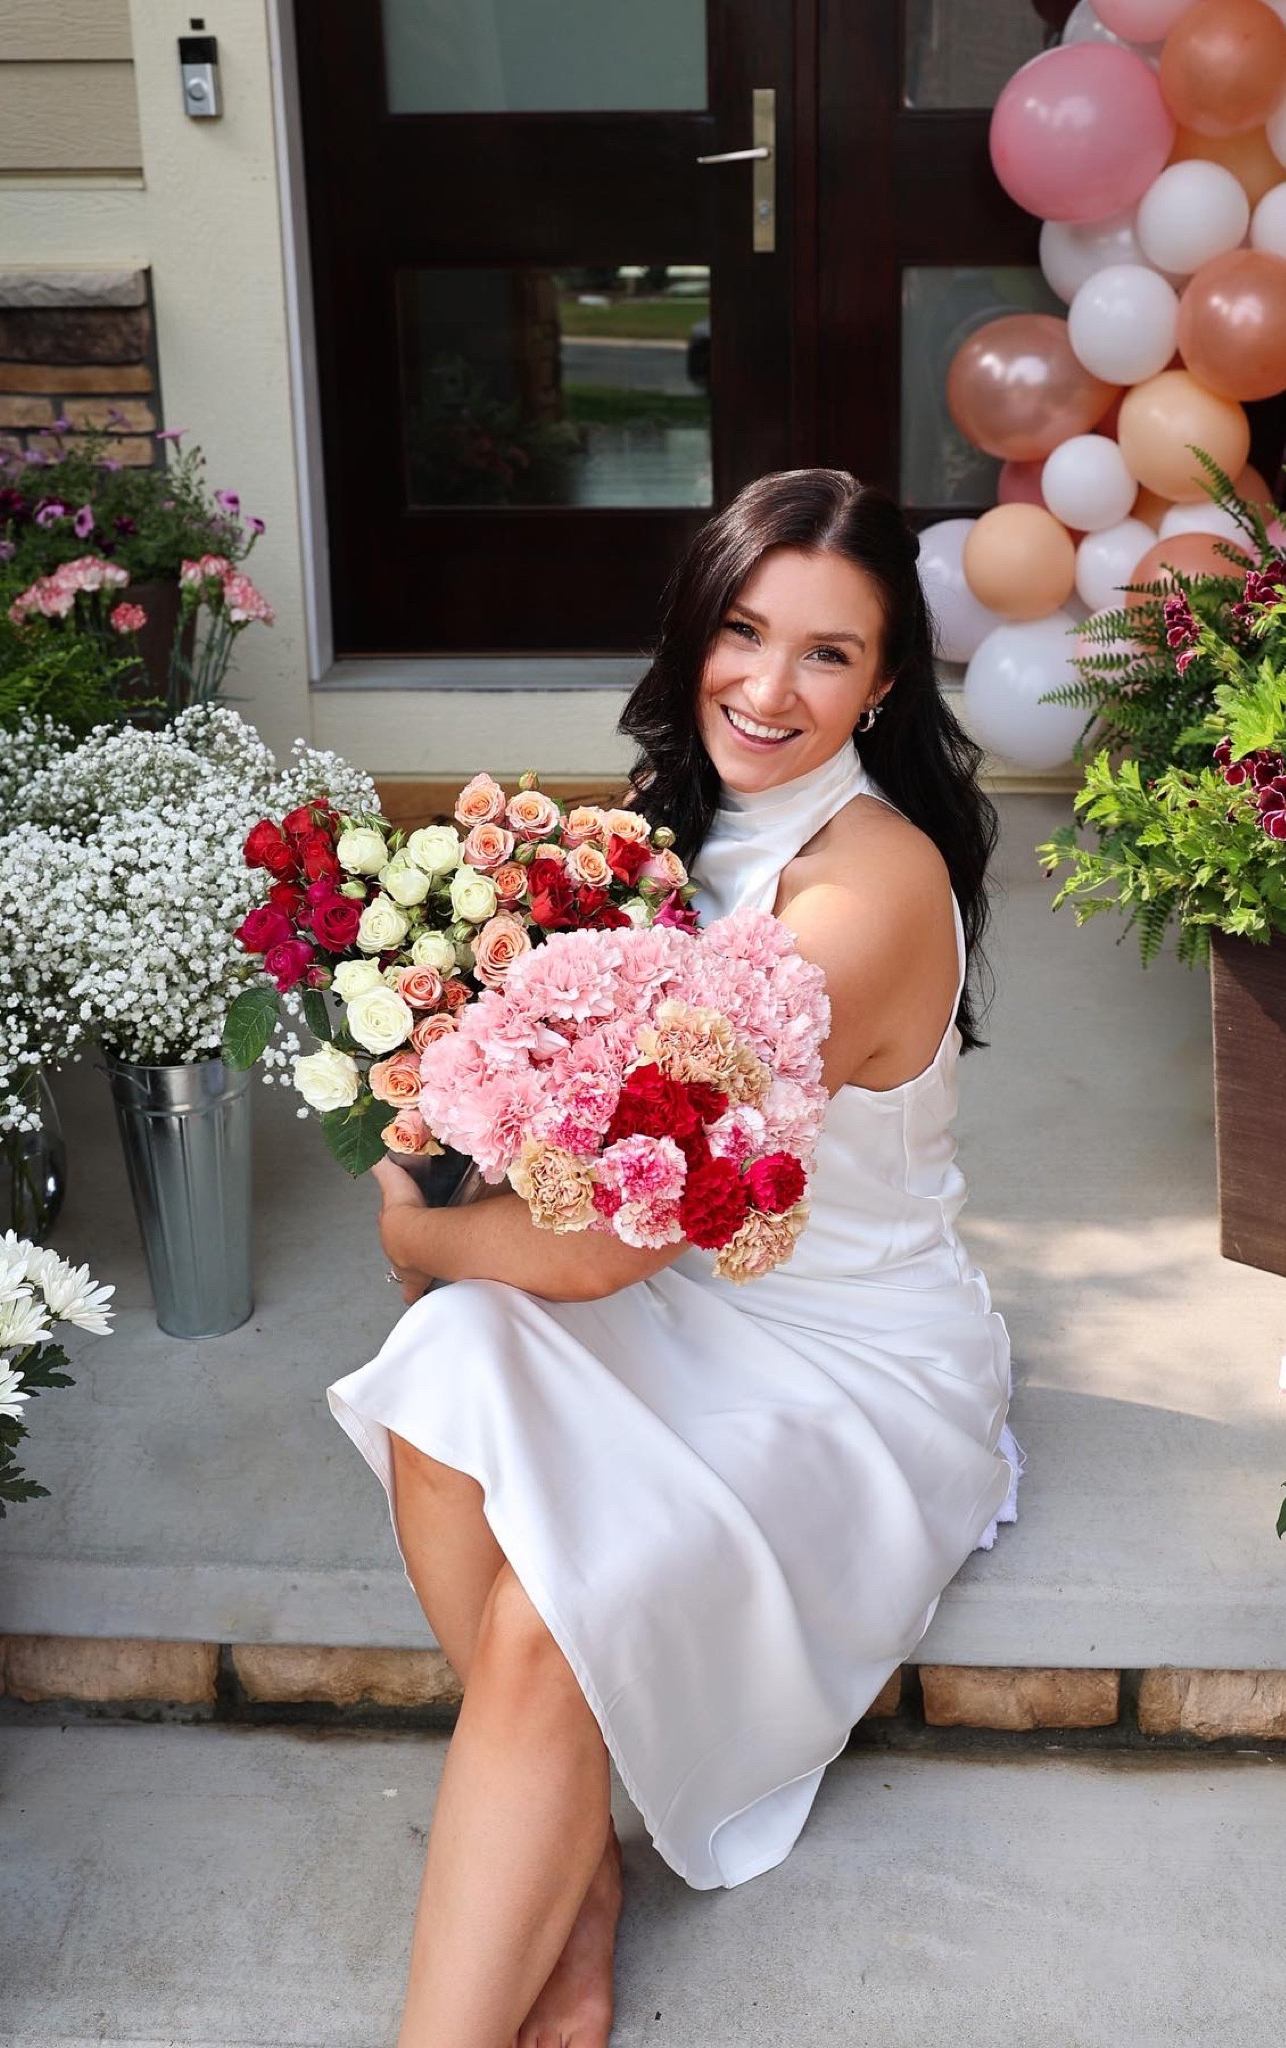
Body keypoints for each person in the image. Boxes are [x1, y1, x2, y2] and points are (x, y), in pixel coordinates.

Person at [327, 467, 1026, 2048]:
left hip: (845, 1361)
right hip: (684, 1298)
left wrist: (410, 1223)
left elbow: (603, 1259)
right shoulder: (667, 838)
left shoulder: (861, 895)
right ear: (693, 631)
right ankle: (572, 1901)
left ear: (886, 680)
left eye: (828, 655)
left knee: (554, 1615)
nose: (769, 688)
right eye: (742, 630)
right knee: (442, 1377)